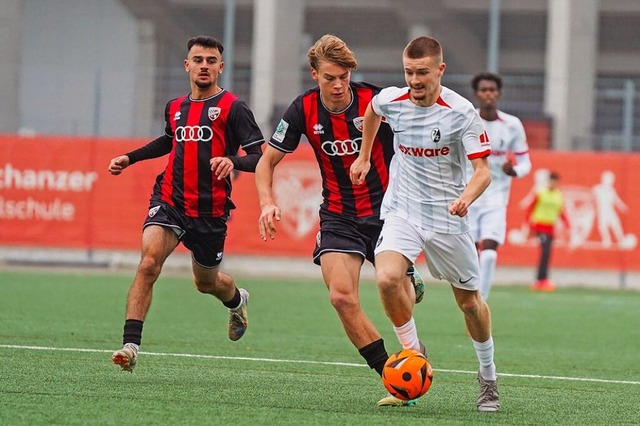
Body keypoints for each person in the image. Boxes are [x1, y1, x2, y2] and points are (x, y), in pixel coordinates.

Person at [255, 34, 425, 407]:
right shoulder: (301, 110)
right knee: (340, 297)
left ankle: (409, 277)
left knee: (397, 294)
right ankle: (394, 378)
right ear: (314, 74)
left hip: (388, 214)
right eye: (330, 77)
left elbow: (418, 141)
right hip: (339, 215)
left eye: (344, 77)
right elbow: (266, 162)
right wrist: (267, 203)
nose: (338, 85)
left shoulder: (376, 101)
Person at [350, 36, 500, 412]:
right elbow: (372, 111)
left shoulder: (462, 112)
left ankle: (488, 377)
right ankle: (414, 354)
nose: (414, 80)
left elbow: (483, 172)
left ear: (440, 70)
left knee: (469, 304)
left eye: (422, 73)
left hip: (448, 219)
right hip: (403, 210)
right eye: (408, 72)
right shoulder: (391, 100)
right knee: (386, 279)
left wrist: (465, 198)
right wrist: (365, 155)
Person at [108, 36, 264, 372]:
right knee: (149, 264)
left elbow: (258, 158)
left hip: (209, 211)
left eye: (211, 60)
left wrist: (232, 162)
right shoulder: (175, 107)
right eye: (198, 59)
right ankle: (130, 346)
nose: (204, 65)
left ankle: (237, 300)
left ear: (221, 67)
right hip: (170, 200)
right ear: (187, 65)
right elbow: (170, 139)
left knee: (206, 283)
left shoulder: (234, 108)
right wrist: (130, 158)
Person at [467, 72, 532, 300]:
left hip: (496, 197)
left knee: (490, 255)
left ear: (499, 94)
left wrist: (513, 171)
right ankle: (470, 300)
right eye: (484, 90)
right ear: (476, 94)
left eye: (492, 90)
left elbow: (525, 163)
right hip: (469, 196)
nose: (488, 94)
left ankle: (481, 303)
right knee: (471, 257)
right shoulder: (467, 120)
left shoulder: (512, 125)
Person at [526, 171, 569, 291]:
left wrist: (567, 225)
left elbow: (561, 212)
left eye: (555, 182)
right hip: (540, 226)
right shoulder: (541, 193)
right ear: (548, 181)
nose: (553, 184)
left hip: (551, 228)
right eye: (551, 181)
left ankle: (542, 279)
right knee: (545, 252)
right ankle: (540, 280)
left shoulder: (558, 195)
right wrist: (530, 225)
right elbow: (530, 208)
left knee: (547, 254)